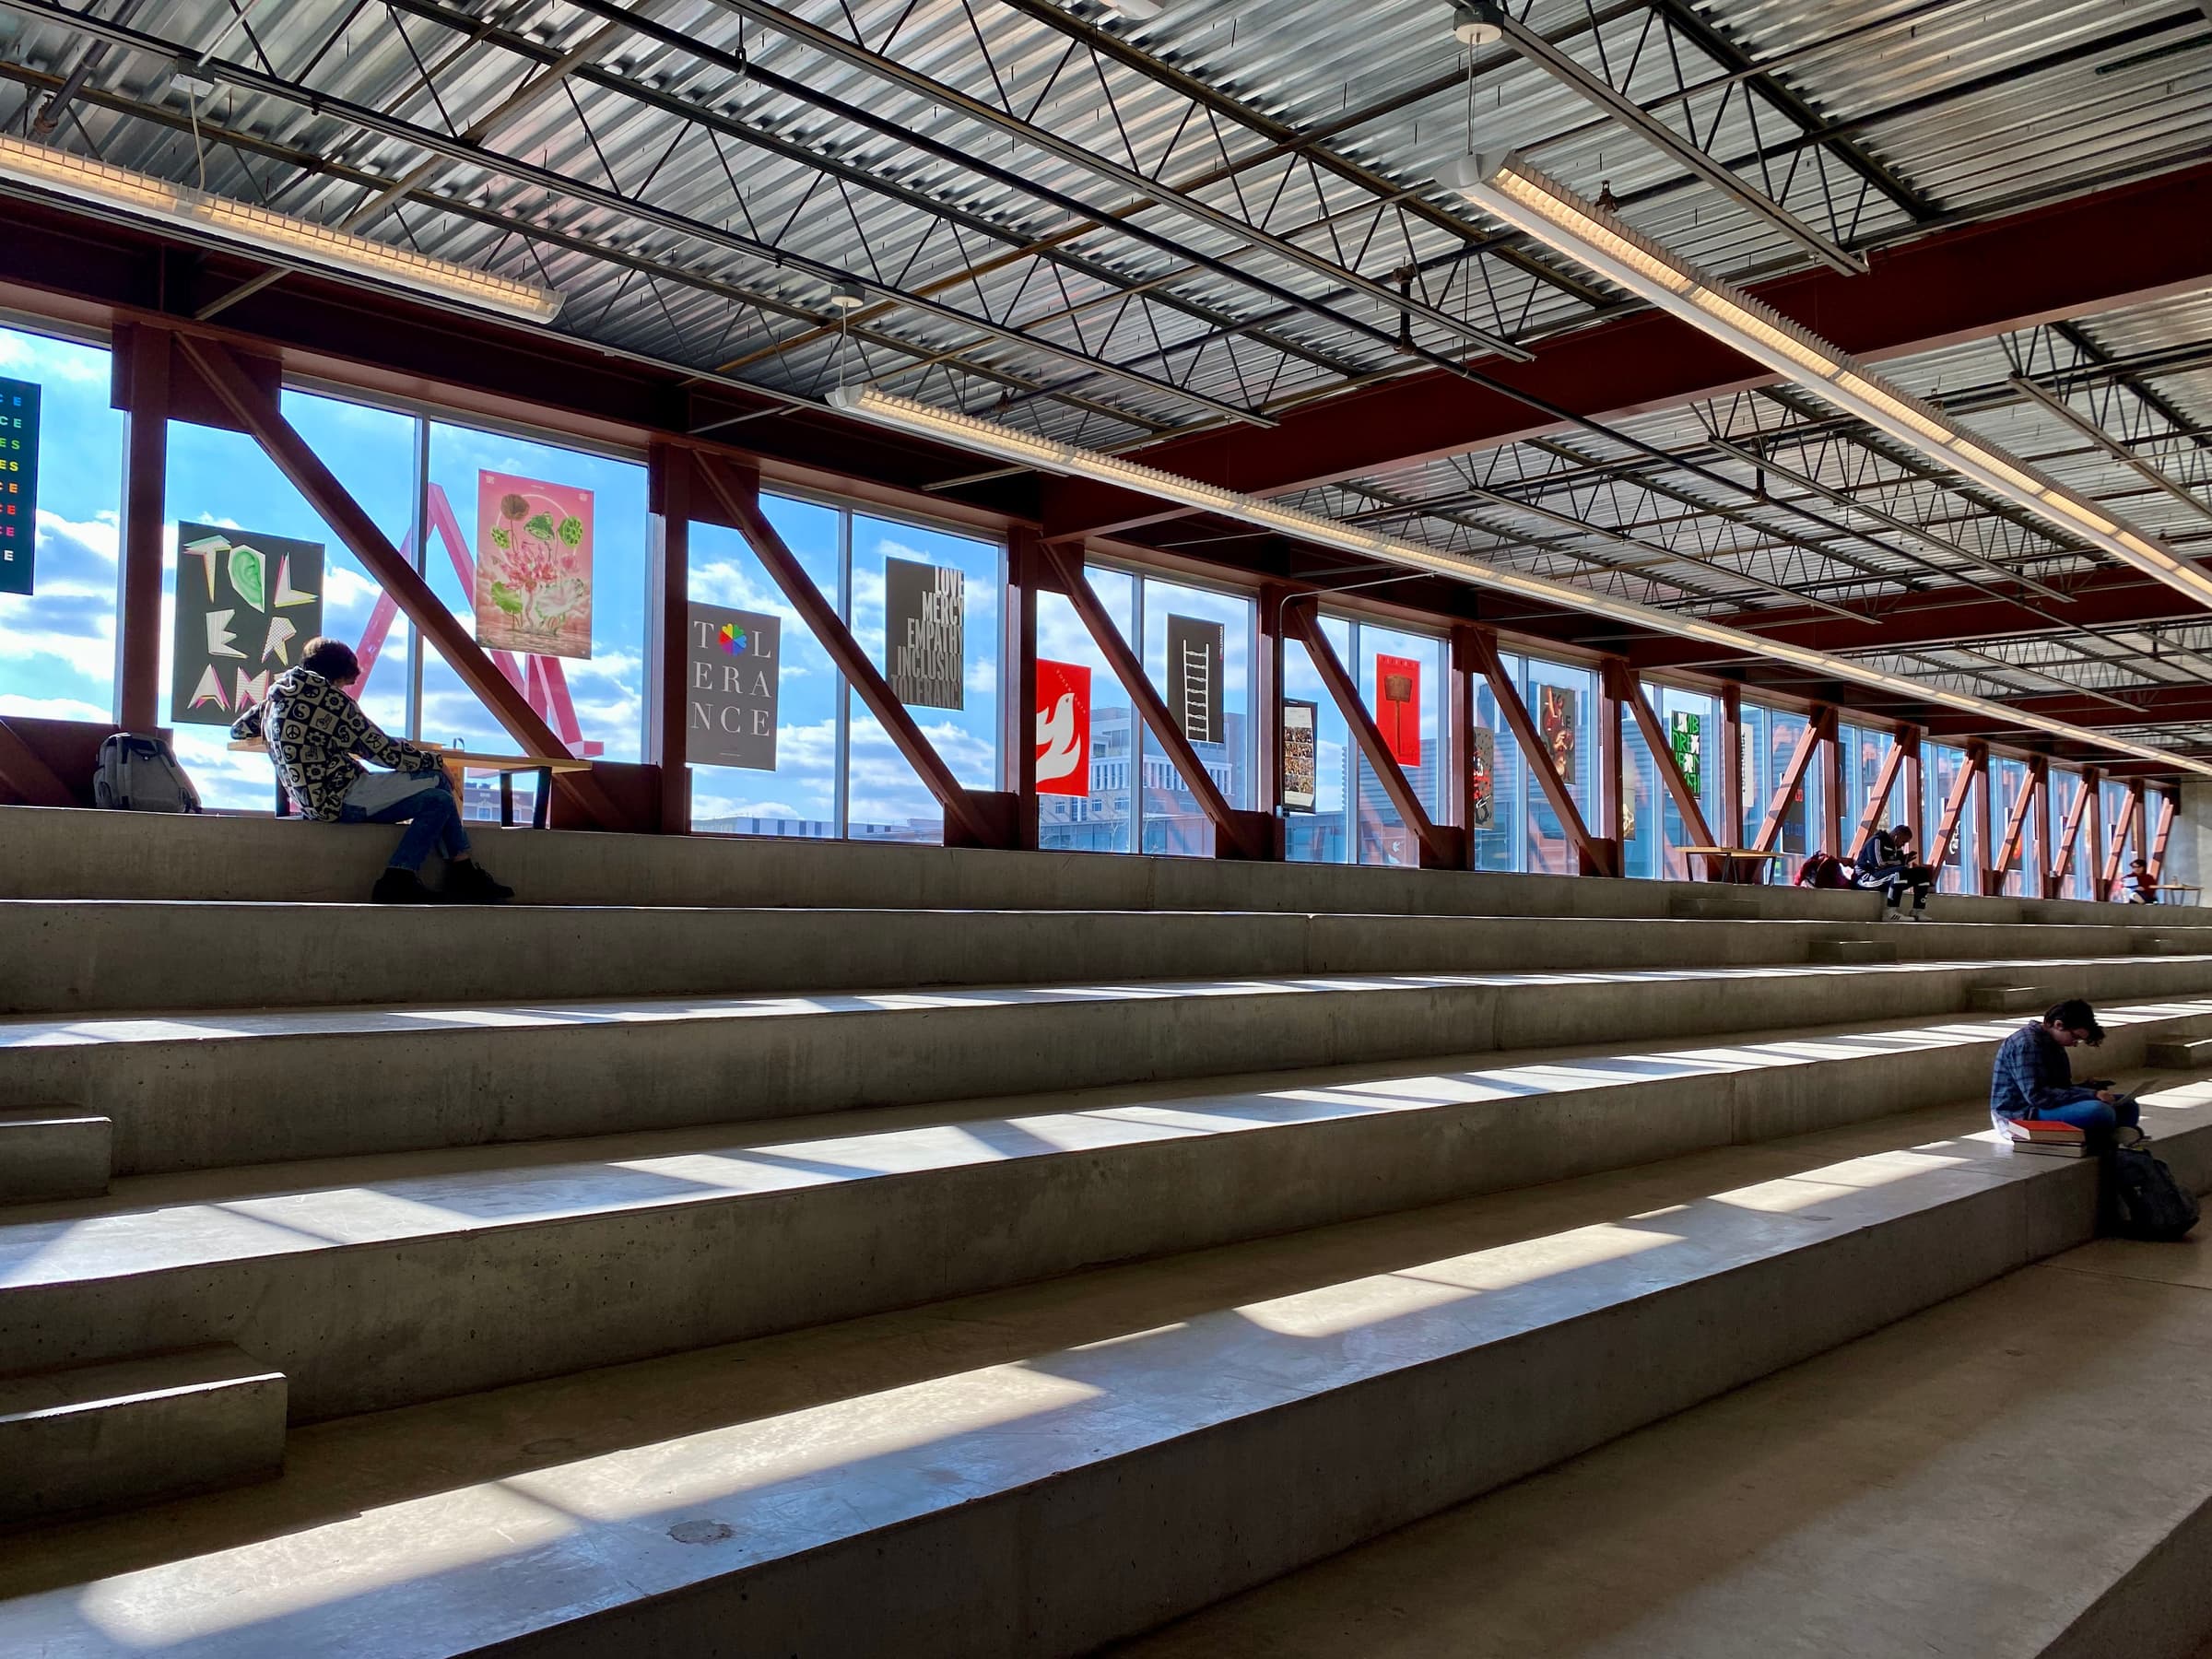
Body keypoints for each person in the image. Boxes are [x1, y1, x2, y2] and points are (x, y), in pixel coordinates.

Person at [231, 638, 512, 905]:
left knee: (438, 800)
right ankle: (446, 872)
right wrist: (435, 761)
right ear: (337, 676)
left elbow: (239, 730)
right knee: (437, 779)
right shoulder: (330, 701)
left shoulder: (277, 698)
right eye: (344, 684)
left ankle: (420, 875)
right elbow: (383, 751)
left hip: (309, 802)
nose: (343, 690)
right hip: (340, 797)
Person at [1989, 998, 2139, 1145]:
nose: (2075, 1044)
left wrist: (2087, 1087)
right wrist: (2091, 1095)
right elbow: (2037, 1096)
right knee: (2101, 1112)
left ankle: (2107, 1136)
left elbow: (2060, 1088)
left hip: (2042, 1105)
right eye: (2075, 1037)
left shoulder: (2054, 1043)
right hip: (2021, 1114)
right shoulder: (2027, 1044)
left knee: (2128, 1105)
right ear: (2058, 1025)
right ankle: (2109, 1136)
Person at [1854, 822, 1935, 921]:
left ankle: (1917, 911)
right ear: (1896, 837)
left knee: (1921, 873)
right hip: (1867, 878)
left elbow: (1899, 864)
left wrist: (1904, 860)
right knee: (1900, 872)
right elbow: (1878, 864)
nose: (1903, 845)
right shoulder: (1876, 840)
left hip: (1887, 877)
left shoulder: (1897, 848)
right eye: (1903, 842)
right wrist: (1899, 862)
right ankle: (1890, 912)